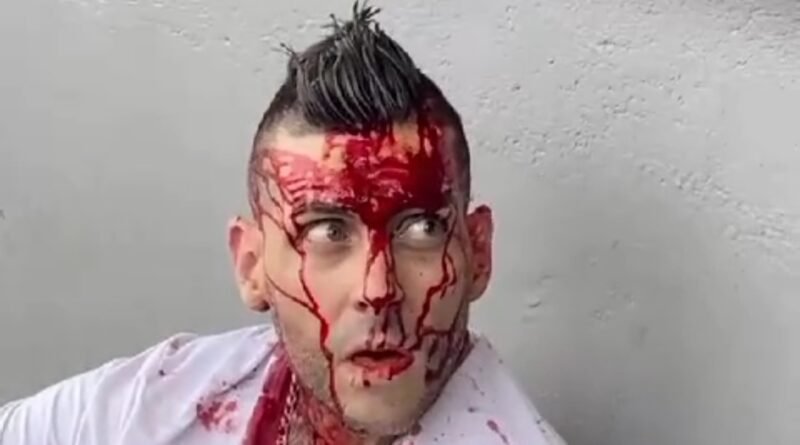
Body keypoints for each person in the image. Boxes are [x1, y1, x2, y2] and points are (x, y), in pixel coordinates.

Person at [0, 4, 565, 445]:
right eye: (328, 232)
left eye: (420, 229)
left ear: (479, 254)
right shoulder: (154, 407)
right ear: (251, 265)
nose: (378, 289)